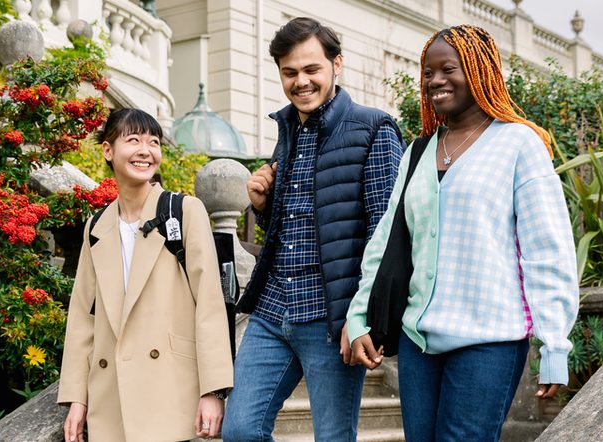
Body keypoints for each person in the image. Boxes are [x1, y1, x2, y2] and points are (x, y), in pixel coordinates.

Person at [345, 25, 579, 440]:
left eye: (447, 69)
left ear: (479, 70)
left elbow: (547, 251)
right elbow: (387, 241)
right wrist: (359, 315)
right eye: (428, 72)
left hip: (488, 341)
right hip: (419, 340)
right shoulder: (418, 151)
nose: (435, 80)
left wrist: (555, 344)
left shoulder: (519, 144)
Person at [222, 17, 405, 442]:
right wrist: (263, 208)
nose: (300, 81)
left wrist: (362, 316)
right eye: (290, 72)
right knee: (241, 430)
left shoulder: (375, 129)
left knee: (334, 437)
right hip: (271, 311)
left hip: (330, 317)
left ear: (335, 65)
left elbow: (387, 231)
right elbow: (298, 222)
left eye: (311, 69)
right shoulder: (287, 129)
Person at [58, 108, 233, 441]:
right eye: (133, 140)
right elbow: (82, 317)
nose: (145, 150)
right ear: (108, 150)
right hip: (110, 399)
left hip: (171, 390)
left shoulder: (183, 211)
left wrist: (214, 390)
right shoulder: (96, 227)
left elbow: (210, 306)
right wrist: (77, 398)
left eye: (154, 142)